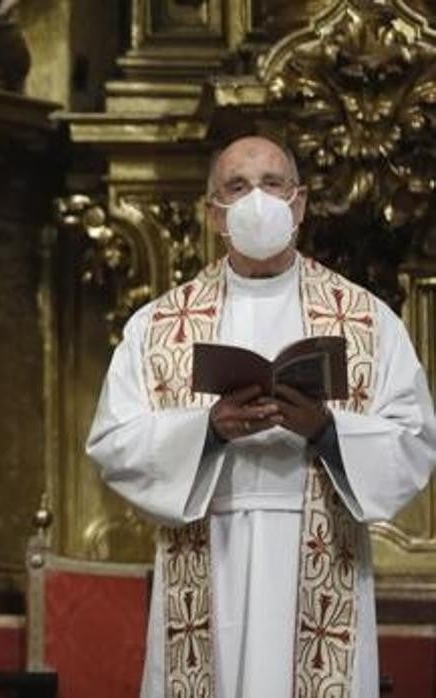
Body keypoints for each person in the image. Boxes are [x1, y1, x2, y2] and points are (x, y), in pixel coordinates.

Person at [85, 135, 436, 697]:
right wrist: (207, 432)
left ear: (298, 205)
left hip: (322, 558)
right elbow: (113, 441)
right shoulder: (157, 326)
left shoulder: (366, 320)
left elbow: (414, 440)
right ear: (214, 213)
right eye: (237, 187)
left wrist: (325, 430)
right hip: (208, 551)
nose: (257, 200)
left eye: (272, 185)